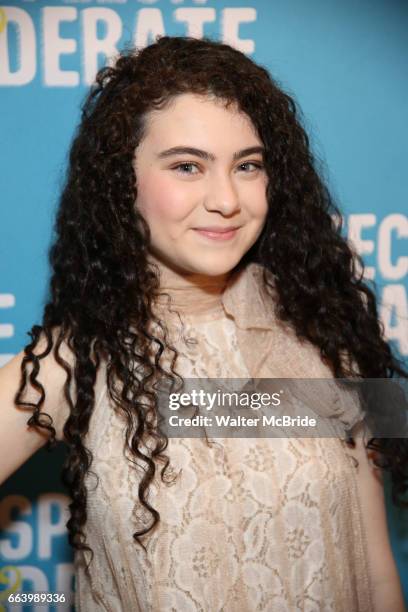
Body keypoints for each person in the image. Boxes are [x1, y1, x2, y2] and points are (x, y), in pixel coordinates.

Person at [0, 35, 407, 612]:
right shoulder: (80, 358)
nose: (226, 199)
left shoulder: (326, 328)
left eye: (248, 166)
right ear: (122, 184)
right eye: (187, 166)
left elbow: (375, 573)